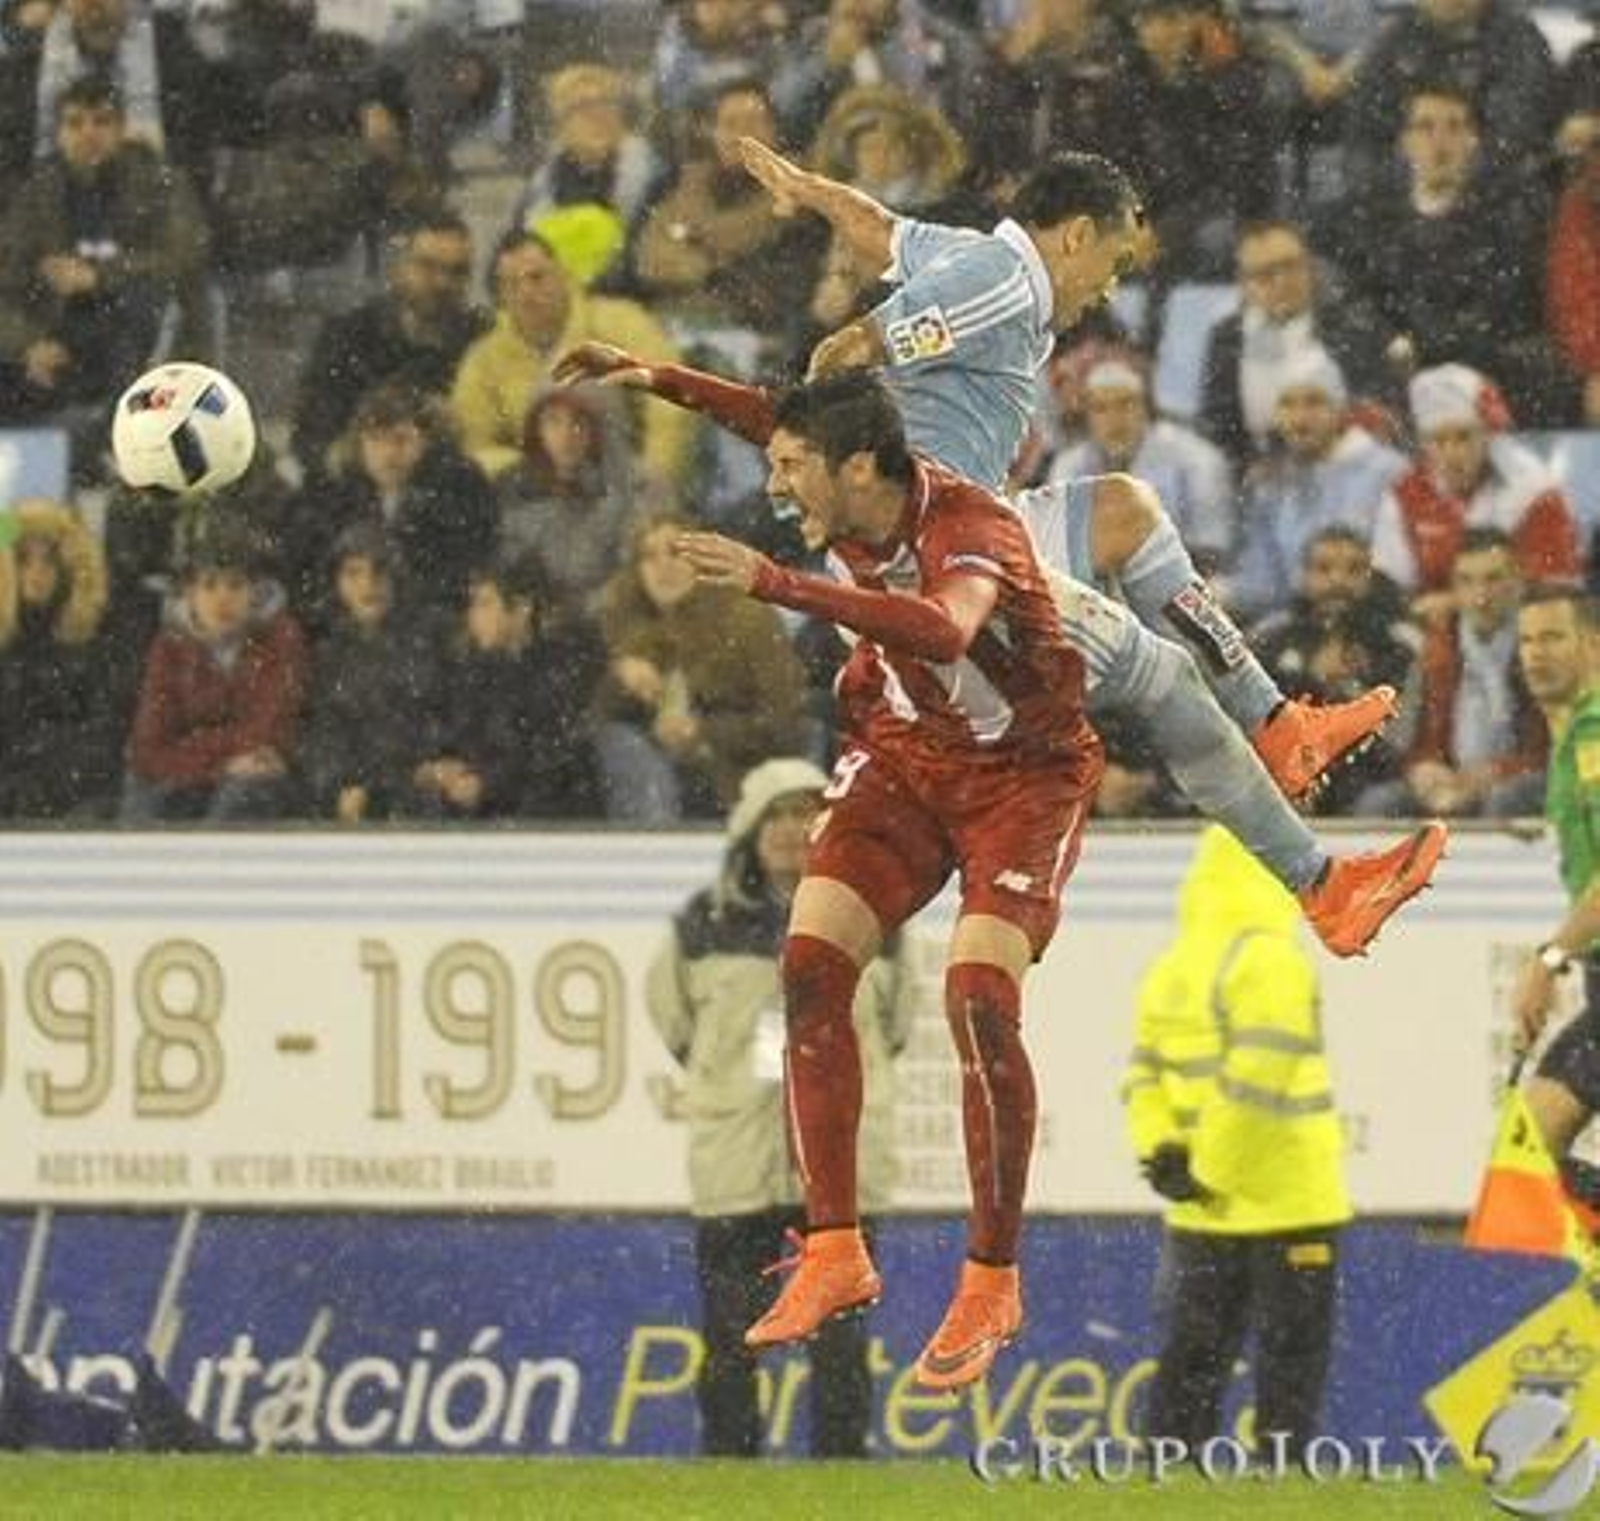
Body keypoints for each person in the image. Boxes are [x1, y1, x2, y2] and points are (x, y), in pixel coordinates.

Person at [556, 340, 1446, 957]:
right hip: (970, 618)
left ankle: (1280, 731)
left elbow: (764, 417)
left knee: (1124, 509)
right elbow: (937, 619)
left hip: (970, 563)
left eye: (792, 462)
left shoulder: (872, 459)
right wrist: (771, 575)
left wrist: (654, 376)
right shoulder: (946, 322)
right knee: (1170, 685)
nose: (778, 481)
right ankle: (1318, 879)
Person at [654, 367, 1101, 1392]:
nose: (776, 485)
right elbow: (763, 413)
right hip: (905, 753)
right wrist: (649, 375)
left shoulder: (970, 528)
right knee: (810, 965)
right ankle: (834, 1249)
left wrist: (775, 582)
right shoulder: (846, 484)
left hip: (1023, 776)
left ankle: (990, 1277)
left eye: (791, 469)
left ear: (858, 468)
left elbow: (944, 629)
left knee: (977, 997)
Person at [728, 136, 1400, 807]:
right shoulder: (999, 286)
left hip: (955, 534)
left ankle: (1276, 731)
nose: (1110, 287)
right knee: (1131, 607)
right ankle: (1271, 747)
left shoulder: (971, 257)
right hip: (926, 554)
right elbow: (843, 351)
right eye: (1114, 261)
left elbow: (878, 231)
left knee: (1123, 521)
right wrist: (821, 487)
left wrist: (806, 190)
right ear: (1077, 236)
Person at [645, 757, 910, 1457]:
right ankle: (731, 1468)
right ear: (750, 829)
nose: (794, 829)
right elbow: (675, 1021)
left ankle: (840, 1471)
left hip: (842, 1169)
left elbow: (895, 1022)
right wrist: (734, 1089)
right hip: (738, 1162)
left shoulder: (878, 910)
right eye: (779, 815)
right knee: (731, 1334)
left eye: (807, 813)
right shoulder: (703, 922)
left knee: (842, 1342)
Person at [1125, 825, 1352, 1461]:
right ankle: (1280, 1477)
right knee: (1290, 1363)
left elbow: (1142, 1076)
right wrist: (1210, 1169)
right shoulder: (1271, 959)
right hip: (1291, 1202)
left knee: (1189, 1360)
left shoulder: (1171, 965)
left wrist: (1165, 1155)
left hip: (1201, 1212)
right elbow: (1259, 1077)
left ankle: (1164, 1477)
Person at [1509, 585, 1600, 1229]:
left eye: (1553, 637)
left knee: (1531, 1150)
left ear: (1592, 645)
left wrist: (1547, 961)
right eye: (1526, 640)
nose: (1536, 654)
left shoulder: (1594, 734)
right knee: (1531, 1148)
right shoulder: (1570, 738)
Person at [120, 520, 307, 823]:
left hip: (253, 778)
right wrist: (219, 765)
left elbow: (266, 733)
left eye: (235, 585)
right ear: (190, 593)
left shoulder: (280, 637)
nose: (223, 598)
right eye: (209, 585)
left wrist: (191, 747)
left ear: (255, 591)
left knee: (250, 785)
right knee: (143, 786)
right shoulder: (169, 645)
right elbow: (148, 747)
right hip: (193, 773)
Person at [291, 211, 490, 487]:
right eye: (428, 266)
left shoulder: (483, 339)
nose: (443, 282)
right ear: (399, 266)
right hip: (360, 491)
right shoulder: (348, 336)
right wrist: (374, 443)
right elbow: (310, 439)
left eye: (458, 271)